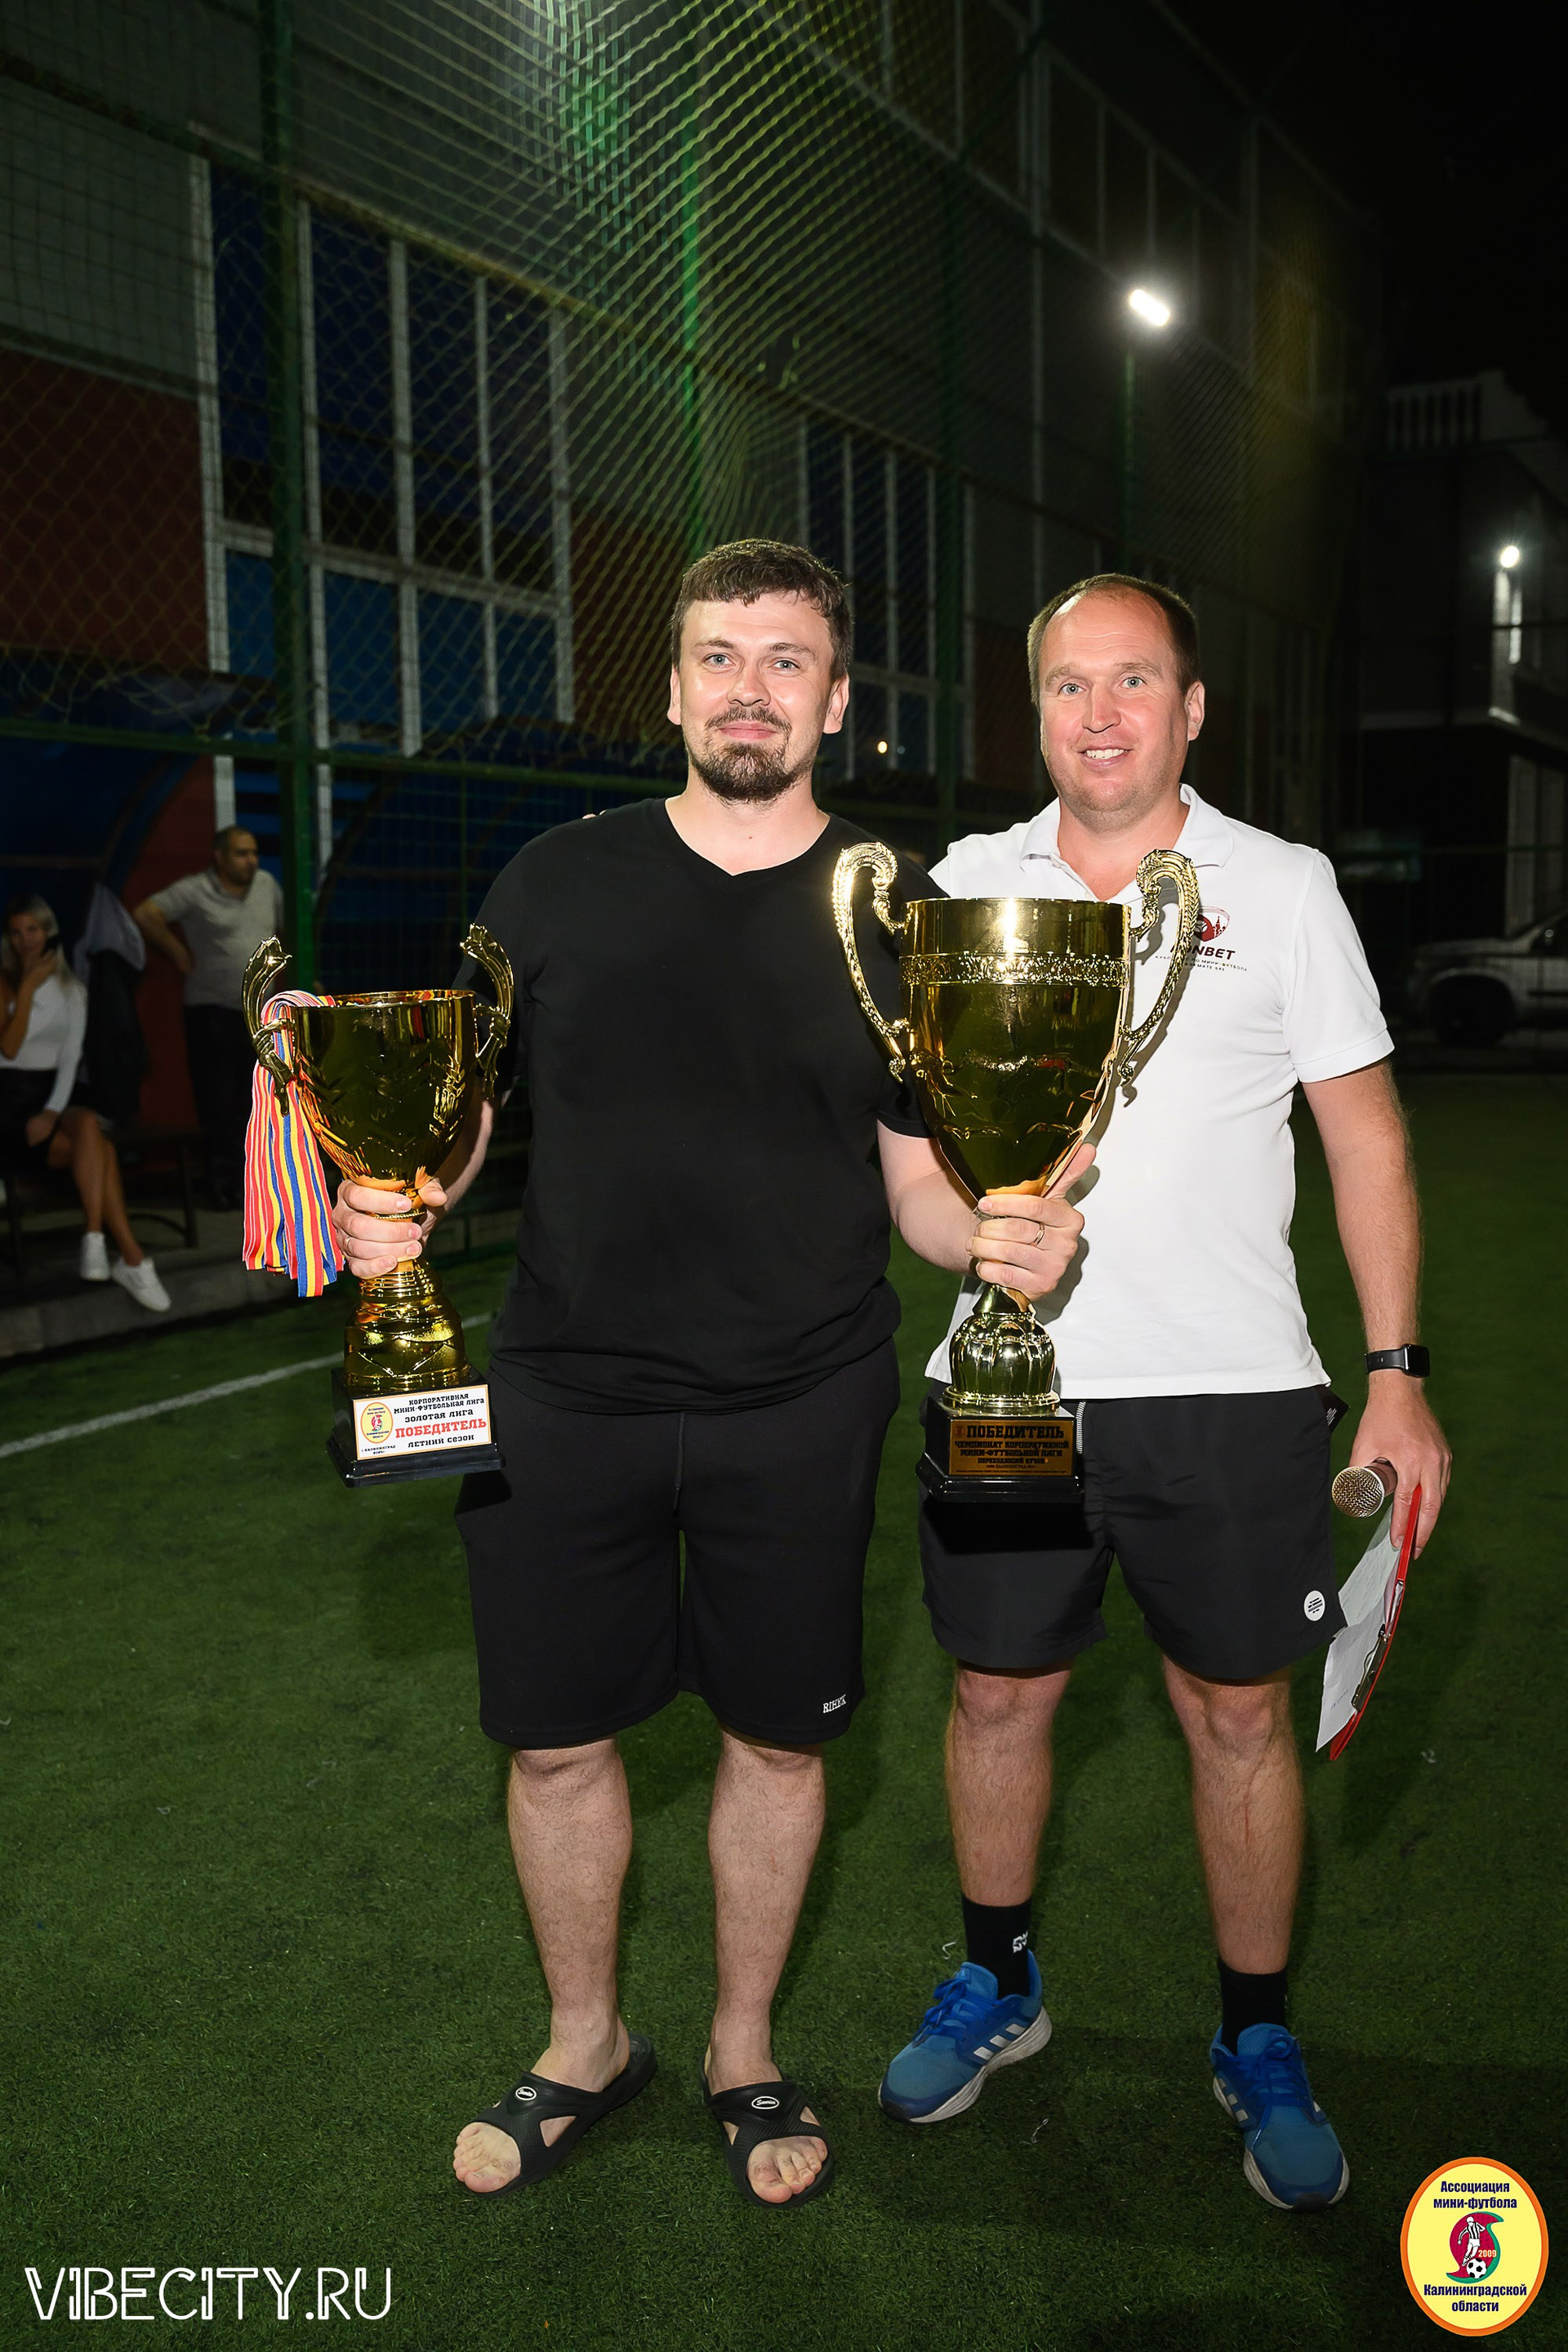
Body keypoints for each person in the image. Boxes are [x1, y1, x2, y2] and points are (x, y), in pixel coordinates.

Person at [329, 539, 1085, 2207]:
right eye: (721, 658)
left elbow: (915, 1182)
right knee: (552, 1745)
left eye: (787, 661)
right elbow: (463, 1119)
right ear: (671, 691)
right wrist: (402, 1194)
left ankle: (745, 2049)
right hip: (562, 1393)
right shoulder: (551, 883)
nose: (753, 690)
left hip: (800, 1395)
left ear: (836, 701)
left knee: (779, 1743)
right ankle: (585, 2043)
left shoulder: (897, 914)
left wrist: (998, 1235)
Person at [877, 574, 1451, 2213]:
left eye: (1135, 681)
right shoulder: (964, 887)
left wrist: (1397, 1376)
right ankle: (998, 1979)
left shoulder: (1281, 888)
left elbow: (1367, 1142)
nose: (1101, 713)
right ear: (1035, 711)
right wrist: (969, 1238)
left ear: (1192, 711)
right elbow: (909, 1163)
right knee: (998, 1697)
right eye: (1069, 684)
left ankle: (1256, 2031)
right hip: (1013, 1389)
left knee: (1240, 1714)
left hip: (1234, 1391)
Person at [0, 894, 171, 1310]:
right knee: (101, 1150)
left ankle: (97, 1238)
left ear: (49, 933)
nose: (25, 940)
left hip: (51, 1100)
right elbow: (9, 1049)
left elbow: (70, 1060)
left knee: (89, 1125)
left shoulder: (72, 989)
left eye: (33, 930)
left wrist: (51, 1112)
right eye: (16, 932)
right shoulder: (3, 984)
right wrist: (27, 988)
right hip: (8, 1102)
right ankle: (129, 1257)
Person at [134, 826, 284, 1209]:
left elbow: (282, 931)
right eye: (241, 853)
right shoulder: (196, 889)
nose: (251, 861)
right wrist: (177, 952)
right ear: (220, 856)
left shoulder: (267, 885)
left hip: (259, 1014)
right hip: (212, 1011)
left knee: (256, 1099)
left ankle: (254, 1183)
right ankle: (220, 1183)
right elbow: (146, 914)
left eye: (254, 852)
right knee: (218, 1099)